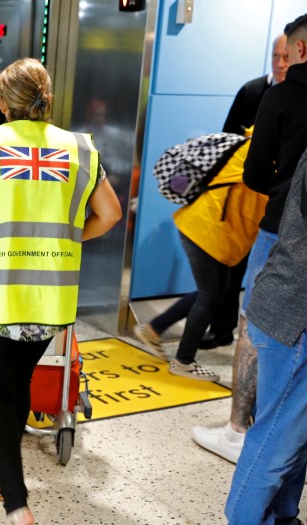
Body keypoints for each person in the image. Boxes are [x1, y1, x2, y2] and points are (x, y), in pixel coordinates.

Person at [0, 58, 121, 525]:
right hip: (50, 298)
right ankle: (0, 473)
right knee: (22, 382)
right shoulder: (80, 150)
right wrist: (70, 237)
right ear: (45, 98)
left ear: (3, 103)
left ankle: (16, 502)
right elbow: (109, 215)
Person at [191, 18, 307, 464]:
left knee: (253, 327)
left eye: (285, 53)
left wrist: (280, 181)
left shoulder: (281, 97)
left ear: (298, 51)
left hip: (282, 227)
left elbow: (255, 173)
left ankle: (239, 431)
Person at [133, 134, 267, 383]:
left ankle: (153, 329)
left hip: (204, 225)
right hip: (209, 231)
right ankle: (184, 361)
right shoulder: (267, 158)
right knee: (210, 296)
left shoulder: (252, 143)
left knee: (213, 291)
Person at [224, 154, 307, 522]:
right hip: (294, 316)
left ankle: (284, 516)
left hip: (287, 307)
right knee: (275, 442)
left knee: (294, 439)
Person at [196, 33, 289, 351]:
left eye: (285, 57)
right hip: (241, 196)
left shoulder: (297, 96)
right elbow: (224, 140)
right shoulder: (252, 91)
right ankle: (223, 328)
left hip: (275, 202)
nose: (279, 63)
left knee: (264, 271)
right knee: (230, 264)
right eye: (275, 56)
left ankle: (260, 335)